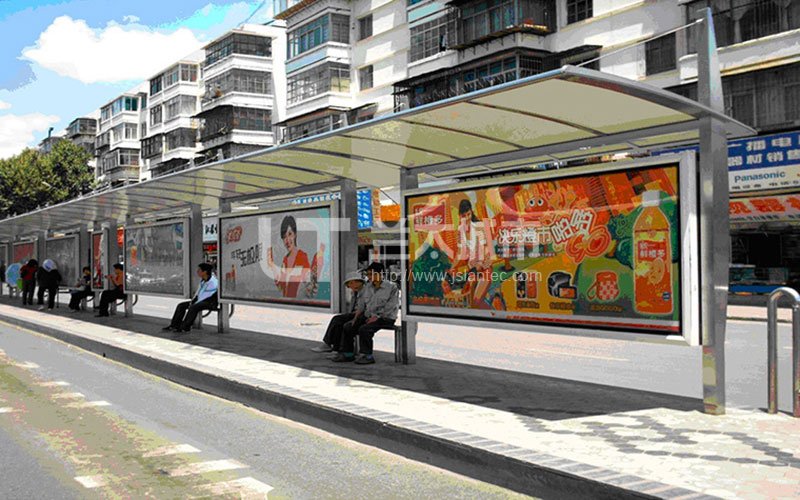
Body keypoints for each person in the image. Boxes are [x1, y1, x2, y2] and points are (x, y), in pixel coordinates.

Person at [333, 262, 399, 365]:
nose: (369, 277)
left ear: (381, 273)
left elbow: (391, 306)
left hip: (385, 318)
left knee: (364, 329)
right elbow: (361, 305)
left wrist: (377, 317)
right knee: (348, 326)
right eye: (368, 274)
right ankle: (348, 353)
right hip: (369, 316)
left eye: (371, 274)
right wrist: (355, 319)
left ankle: (367, 356)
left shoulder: (392, 287)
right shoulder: (368, 287)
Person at [311, 272, 368, 353]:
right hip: (354, 314)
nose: (351, 286)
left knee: (337, 319)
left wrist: (353, 319)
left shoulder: (365, 292)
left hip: (362, 315)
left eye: (352, 283)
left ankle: (328, 343)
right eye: (349, 284)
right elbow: (351, 307)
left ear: (358, 282)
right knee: (338, 323)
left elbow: (361, 309)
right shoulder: (354, 292)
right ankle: (335, 348)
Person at [163, 263, 219, 333]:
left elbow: (206, 295)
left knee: (193, 307)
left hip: (210, 302)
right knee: (181, 305)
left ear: (205, 272)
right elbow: (198, 293)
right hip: (201, 300)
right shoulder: (203, 280)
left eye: (199, 270)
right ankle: (174, 325)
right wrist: (193, 301)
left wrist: (193, 302)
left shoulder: (213, 282)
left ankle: (185, 327)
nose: (197, 271)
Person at [267, 215, 310, 298]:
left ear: (295, 234)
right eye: (284, 237)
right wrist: (272, 265)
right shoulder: (285, 260)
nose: (287, 240)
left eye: (290, 234)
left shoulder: (302, 256)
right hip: (286, 302)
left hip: (297, 304)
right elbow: (281, 287)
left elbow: (308, 287)